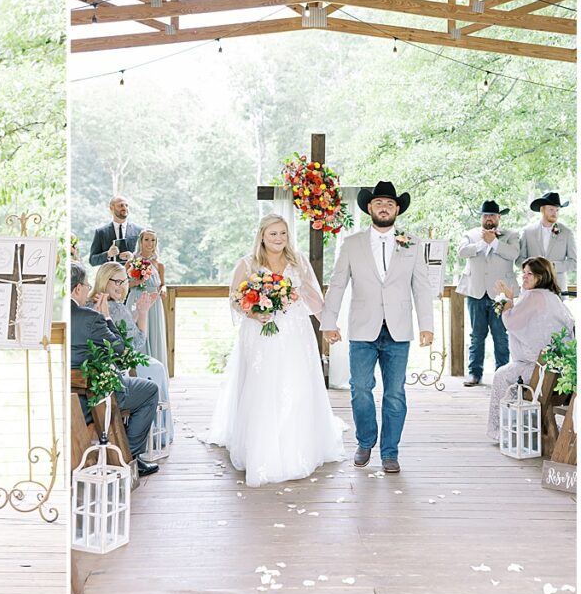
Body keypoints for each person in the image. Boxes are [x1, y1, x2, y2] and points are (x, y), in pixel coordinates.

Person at [207, 214, 345, 487]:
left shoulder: (298, 261)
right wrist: (255, 313)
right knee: (263, 387)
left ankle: (297, 445)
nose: (279, 239)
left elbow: (312, 296)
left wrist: (328, 325)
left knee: (297, 386)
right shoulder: (247, 264)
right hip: (260, 334)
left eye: (283, 233)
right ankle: (262, 449)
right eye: (273, 234)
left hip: (295, 333)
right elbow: (236, 299)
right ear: (262, 236)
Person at [321, 181, 434, 474]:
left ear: (397, 210)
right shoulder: (352, 243)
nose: (384, 208)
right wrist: (328, 322)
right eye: (379, 203)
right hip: (363, 328)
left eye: (390, 204)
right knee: (360, 389)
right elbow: (337, 284)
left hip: (398, 329)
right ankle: (365, 441)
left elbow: (421, 287)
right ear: (370, 208)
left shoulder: (411, 242)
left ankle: (390, 452)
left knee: (395, 393)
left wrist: (427, 325)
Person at [70, 263, 160, 476]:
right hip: (92, 398)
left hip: (70, 395)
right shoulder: (91, 317)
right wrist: (106, 318)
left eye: (123, 281)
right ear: (77, 289)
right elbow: (124, 353)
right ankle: (129, 459)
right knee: (150, 390)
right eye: (85, 285)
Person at [486, 257, 575, 440]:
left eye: (530, 274)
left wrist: (506, 302)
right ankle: (517, 426)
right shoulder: (551, 296)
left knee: (501, 375)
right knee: (507, 371)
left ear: (541, 277)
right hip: (558, 371)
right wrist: (510, 301)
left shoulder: (535, 296)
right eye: (523, 273)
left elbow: (512, 322)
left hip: (542, 371)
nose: (524, 277)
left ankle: (500, 431)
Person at [93, 261, 173, 445]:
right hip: (120, 368)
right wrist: (143, 313)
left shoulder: (92, 303)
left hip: (102, 367)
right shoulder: (116, 308)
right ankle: (146, 442)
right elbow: (135, 344)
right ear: (105, 280)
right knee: (157, 369)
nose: (121, 287)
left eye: (124, 282)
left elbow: (120, 331)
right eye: (116, 282)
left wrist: (135, 313)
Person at [455, 200, 520, 387]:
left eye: (492, 215)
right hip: (476, 292)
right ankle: (474, 373)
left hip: (500, 293)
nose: (489, 218)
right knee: (477, 335)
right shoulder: (470, 234)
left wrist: (495, 242)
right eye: (486, 215)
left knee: (501, 335)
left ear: (499, 217)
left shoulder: (511, 235)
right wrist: (482, 243)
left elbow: (514, 254)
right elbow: (461, 252)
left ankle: (503, 374)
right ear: (481, 217)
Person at [125, 229, 169, 367]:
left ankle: (155, 372)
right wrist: (137, 282)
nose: (150, 243)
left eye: (153, 240)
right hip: (136, 299)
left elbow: (163, 284)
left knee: (154, 333)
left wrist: (163, 290)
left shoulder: (159, 265)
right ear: (141, 241)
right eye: (147, 240)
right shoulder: (131, 262)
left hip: (153, 302)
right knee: (134, 332)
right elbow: (125, 285)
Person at [517, 192, 576, 293]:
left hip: (557, 288)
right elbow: (519, 260)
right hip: (531, 289)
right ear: (542, 209)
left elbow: (574, 262)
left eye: (557, 210)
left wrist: (551, 266)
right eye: (551, 209)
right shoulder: (527, 232)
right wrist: (534, 270)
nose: (555, 213)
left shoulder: (567, 232)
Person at [89, 195, 142, 266]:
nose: (124, 208)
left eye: (126, 205)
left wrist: (133, 257)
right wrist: (108, 254)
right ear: (111, 208)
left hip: (131, 276)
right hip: (109, 275)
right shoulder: (101, 232)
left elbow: (147, 259)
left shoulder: (139, 231)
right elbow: (92, 260)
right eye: (121, 205)